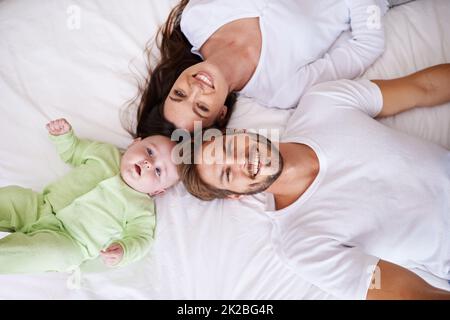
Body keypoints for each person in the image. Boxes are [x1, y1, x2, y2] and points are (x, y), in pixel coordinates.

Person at [178, 63, 450, 299]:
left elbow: (423, 88)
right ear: (234, 195)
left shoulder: (323, 103)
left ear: (237, 132)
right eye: (227, 173)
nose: (240, 161)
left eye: (227, 149)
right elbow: (404, 292)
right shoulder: (301, 244)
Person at [135, 0, 387, 136]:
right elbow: (367, 45)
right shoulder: (281, 89)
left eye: (179, 93)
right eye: (201, 107)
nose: (196, 89)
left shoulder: (195, 18)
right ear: (221, 114)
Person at [0, 119, 179, 274]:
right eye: (149, 152)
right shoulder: (105, 153)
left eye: (158, 171)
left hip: (70, 241)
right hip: (41, 205)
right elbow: (74, 151)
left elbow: (141, 239)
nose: (148, 163)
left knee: (44, 254)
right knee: (11, 199)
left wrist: (124, 250)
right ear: (135, 143)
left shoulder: (141, 208)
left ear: (157, 191)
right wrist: (64, 137)